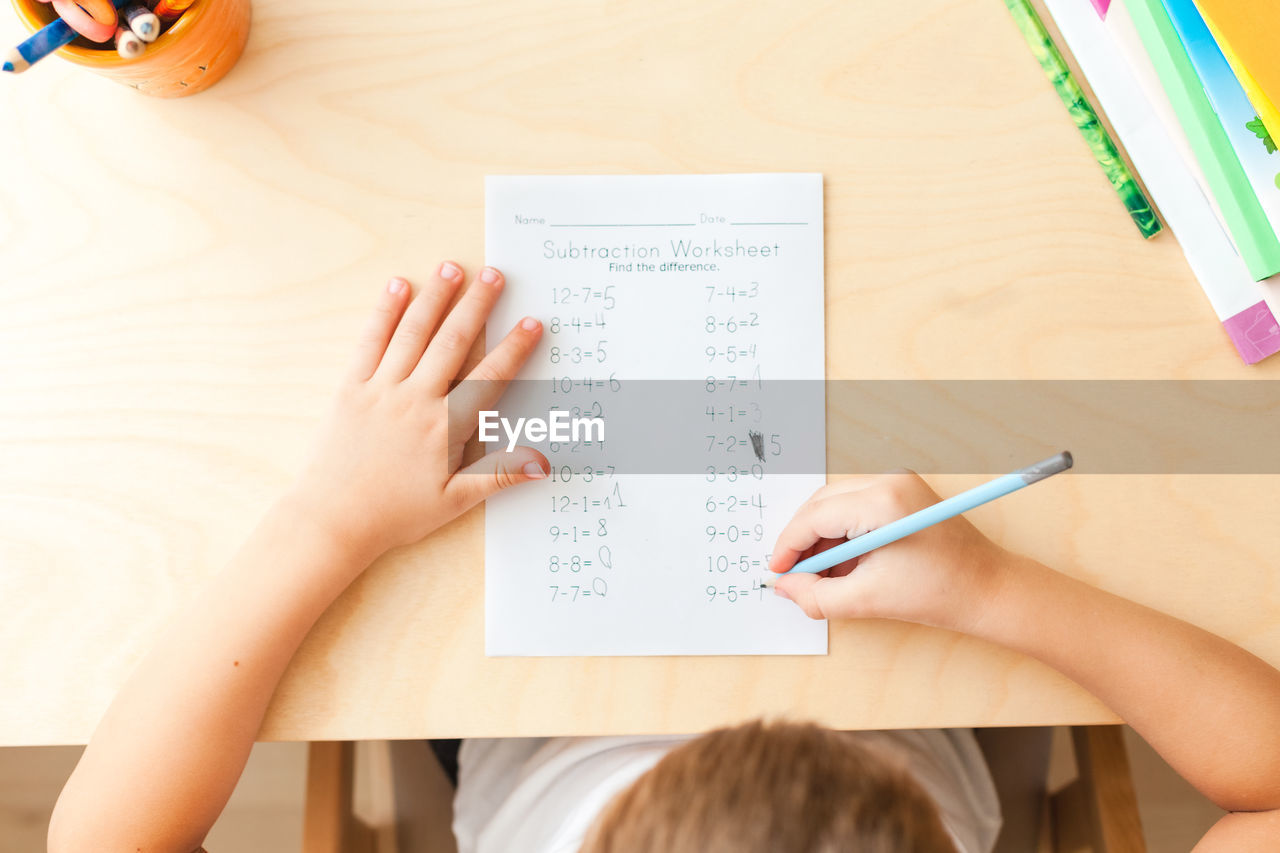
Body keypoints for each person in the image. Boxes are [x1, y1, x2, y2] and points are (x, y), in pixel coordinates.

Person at [48, 264, 1280, 853]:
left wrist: (324, 519)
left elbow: (104, 845)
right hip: (919, 659)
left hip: (517, 720)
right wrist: (995, 589)